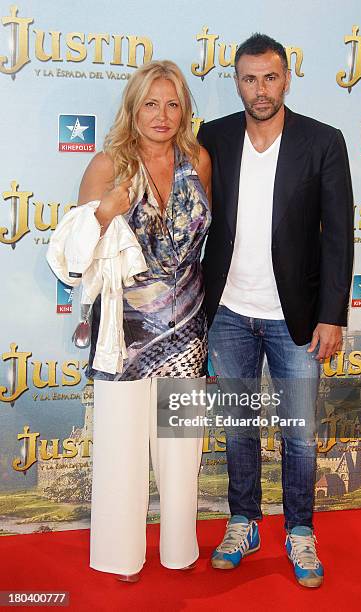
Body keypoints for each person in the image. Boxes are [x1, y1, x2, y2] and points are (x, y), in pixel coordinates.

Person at [198, 33, 353, 588]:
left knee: (300, 434)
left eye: (270, 77)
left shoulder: (323, 141)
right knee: (238, 428)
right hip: (229, 313)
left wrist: (332, 314)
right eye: (249, 78)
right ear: (235, 81)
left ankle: (299, 529)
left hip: (299, 317)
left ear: (287, 79)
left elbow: (338, 236)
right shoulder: (210, 138)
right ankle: (243, 521)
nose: (260, 90)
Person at [78, 60, 211, 581]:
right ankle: (120, 556)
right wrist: (106, 212)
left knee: (182, 451)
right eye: (151, 103)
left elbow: (205, 236)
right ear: (134, 109)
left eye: (172, 103)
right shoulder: (109, 164)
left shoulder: (198, 159)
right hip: (125, 333)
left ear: (184, 110)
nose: (162, 115)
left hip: (188, 324)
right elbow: (80, 252)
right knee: (121, 448)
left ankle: (180, 550)